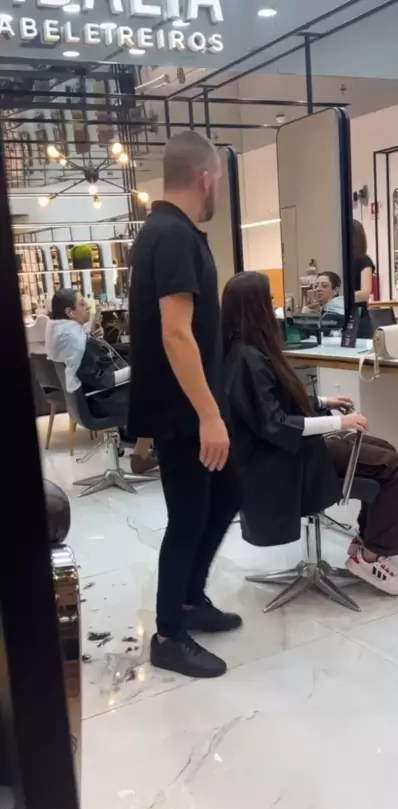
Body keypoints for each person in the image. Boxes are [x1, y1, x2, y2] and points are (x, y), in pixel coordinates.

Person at [128, 131, 241, 680]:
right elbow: (176, 334)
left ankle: (191, 600)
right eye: (217, 178)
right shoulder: (172, 236)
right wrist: (209, 415)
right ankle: (169, 634)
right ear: (205, 178)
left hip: (187, 407)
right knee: (189, 516)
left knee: (226, 495)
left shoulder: (168, 231)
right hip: (183, 412)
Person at [222, 272, 398, 596]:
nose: (274, 305)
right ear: (254, 307)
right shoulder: (247, 359)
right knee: (395, 467)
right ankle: (370, 557)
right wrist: (340, 423)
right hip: (284, 462)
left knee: (385, 449)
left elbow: (273, 404)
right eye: (268, 299)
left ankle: (370, 542)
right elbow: (276, 423)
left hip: (287, 452)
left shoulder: (246, 352)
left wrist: (323, 402)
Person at [46, 289, 156, 474]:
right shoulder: (76, 342)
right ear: (70, 312)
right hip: (102, 401)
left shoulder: (65, 336)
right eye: (82, 304)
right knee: (157, 393)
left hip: (90, 399)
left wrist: (95, 338)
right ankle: (143, 455)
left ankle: (142, 450)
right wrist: (136, 371)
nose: (88, 307)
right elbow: (104, 381)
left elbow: (89, 364)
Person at [352, 220, 375, 337]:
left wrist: (342, 298)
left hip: (360, 321)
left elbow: (365, 293)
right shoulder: (342, 261)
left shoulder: (364, 261)